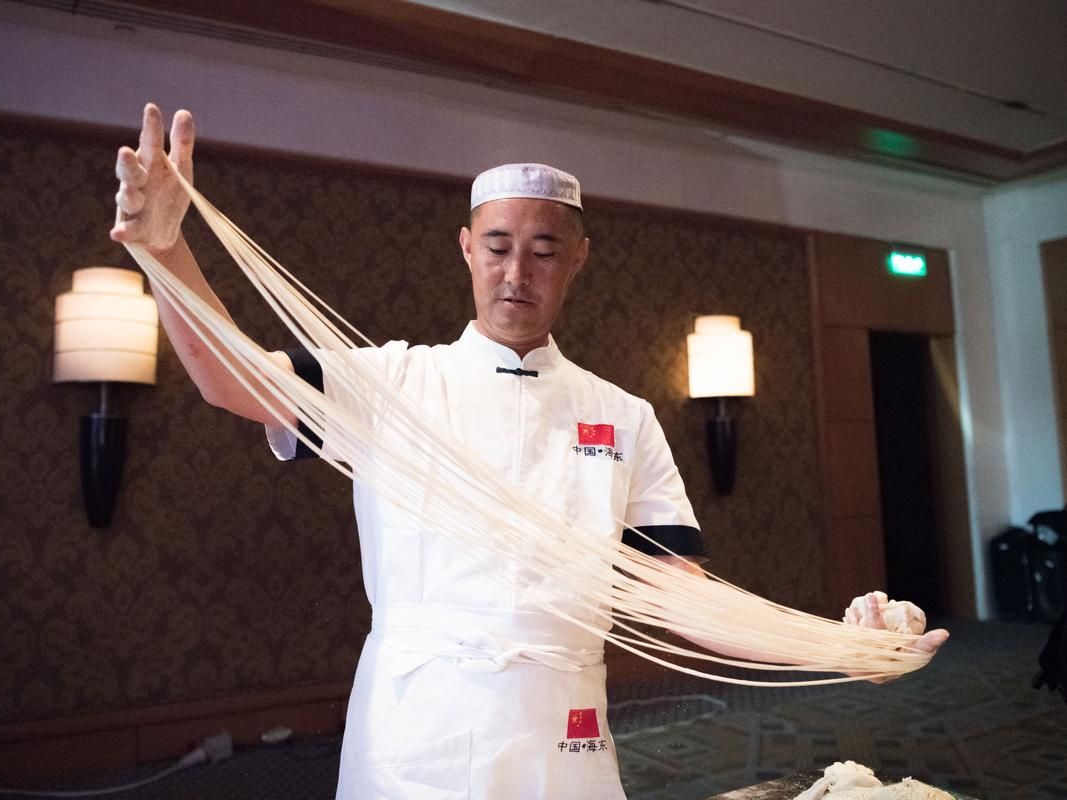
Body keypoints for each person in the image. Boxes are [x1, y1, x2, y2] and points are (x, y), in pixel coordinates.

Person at [111, 104, 948, 799]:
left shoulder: (622, 417)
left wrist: (840, 649)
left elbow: (681, 599)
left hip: (562, 729)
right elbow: (230, 378)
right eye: (498, 247)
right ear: (466, 249)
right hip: (414, 726)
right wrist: (165, 250)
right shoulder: (393, 381)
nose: (517, 272)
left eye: (544, 251)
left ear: (577, 260)